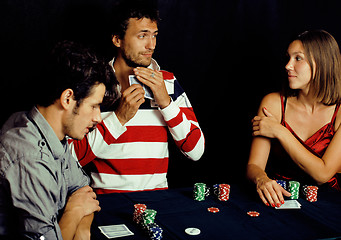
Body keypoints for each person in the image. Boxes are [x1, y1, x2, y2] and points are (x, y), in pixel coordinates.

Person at [70, 0, 205, 194]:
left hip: (158, 202)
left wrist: (165, 102)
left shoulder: (167, 81)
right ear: (117, 40)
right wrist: (119, 118)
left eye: (154, 36)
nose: (151, 45)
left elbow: (196, 151)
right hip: (106, 203)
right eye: (142, 36)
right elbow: (71, 157)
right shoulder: (92, 84)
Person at [0, 40, 117, 240]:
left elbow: (83, 190)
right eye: (94, 106)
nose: (98, 117)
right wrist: (74, 212)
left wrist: (81, 231)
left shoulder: (48, 132)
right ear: (68, 98)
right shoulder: (30, 158)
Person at [247, 30, 341, 208]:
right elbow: (254, 164)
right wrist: (261, 179)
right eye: (288, 58)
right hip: (281, 200)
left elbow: (323, 174)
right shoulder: (273, 103)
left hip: (330, 206)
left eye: (298, 58)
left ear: (322, 63)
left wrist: (280, 131)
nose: (288, 65)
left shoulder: (340, 111)